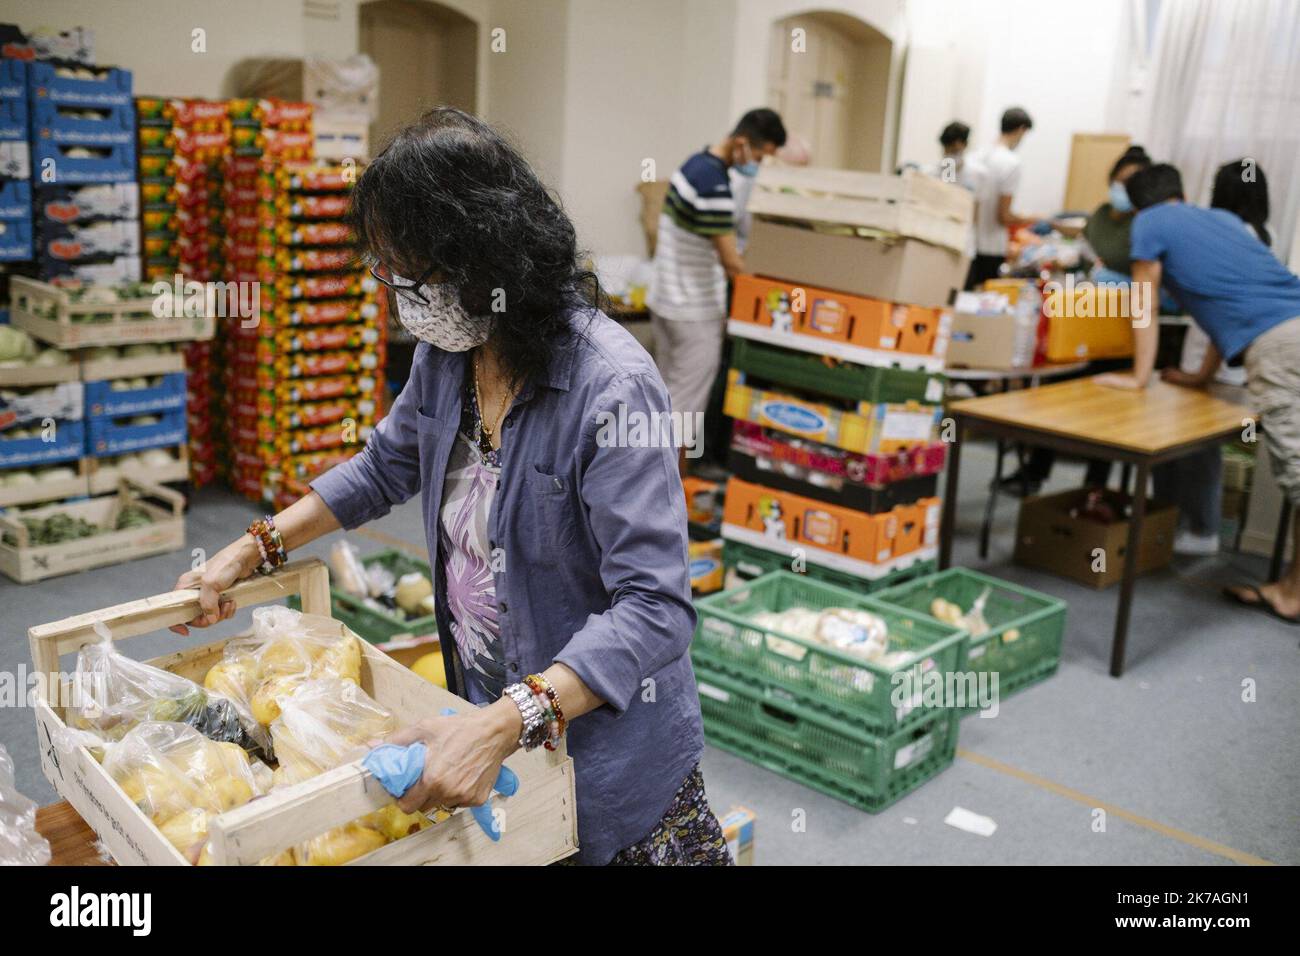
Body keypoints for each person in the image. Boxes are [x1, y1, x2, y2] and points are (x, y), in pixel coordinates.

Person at [170, 108, 732, 866]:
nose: (398, 292)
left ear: (485, 255)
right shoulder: (451, 354)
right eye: (385, 267)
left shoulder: (611, 387)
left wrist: (509, 719)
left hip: (608, 770)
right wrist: (253, 547)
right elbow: (383, 466)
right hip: (491, 733)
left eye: (411, 270)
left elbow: (656, 607)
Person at [1097, 162, 1300, 624]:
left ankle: (1292, 595)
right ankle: (1292, 588)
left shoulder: (1149, 223)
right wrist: (1198, 376)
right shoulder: (1223, 221)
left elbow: (1143, 302)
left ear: (1137, 203)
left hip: (1281, 345)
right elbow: (1220, 310)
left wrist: (1137, 377)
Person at [997, 147, 1153, 497]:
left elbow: (1150, 283)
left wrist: (1115, 281)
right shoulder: (1099, 215)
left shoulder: (1144, 223)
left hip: (1120, 330)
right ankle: (1034, 471)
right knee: (1054, 397)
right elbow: (1082, 252)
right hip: (1078, 320)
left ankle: (1094, 489)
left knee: (1106, 412)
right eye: (1119, 180)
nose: (1123, 188)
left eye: (1132, 182)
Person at [649, 108, 787, 472]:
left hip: (665, 302)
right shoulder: (715, 185)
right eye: (759, 157)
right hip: (694, 312)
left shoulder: (694, 165)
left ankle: (653, 494)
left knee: (663, 403)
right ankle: (669, 502)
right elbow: (732, 264)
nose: (757, 166)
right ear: (742, 143)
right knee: (682, 416)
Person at [1155, 159, 1277, 555]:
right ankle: (1179, 523)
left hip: (1215, 366)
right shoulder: (1261, 234)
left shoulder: (1232, 236)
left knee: (1196, 450)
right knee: (1197, 447)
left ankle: (1200, 528)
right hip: (1229, 364)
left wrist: (1198, 375)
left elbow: (1221, 314)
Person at [966, 107, 1039, 290]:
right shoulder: (1011, 163)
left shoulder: (976, 156)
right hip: (991, 247)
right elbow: (1003, 216)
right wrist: (1032, 218)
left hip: (969, 244)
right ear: (1021, 129)